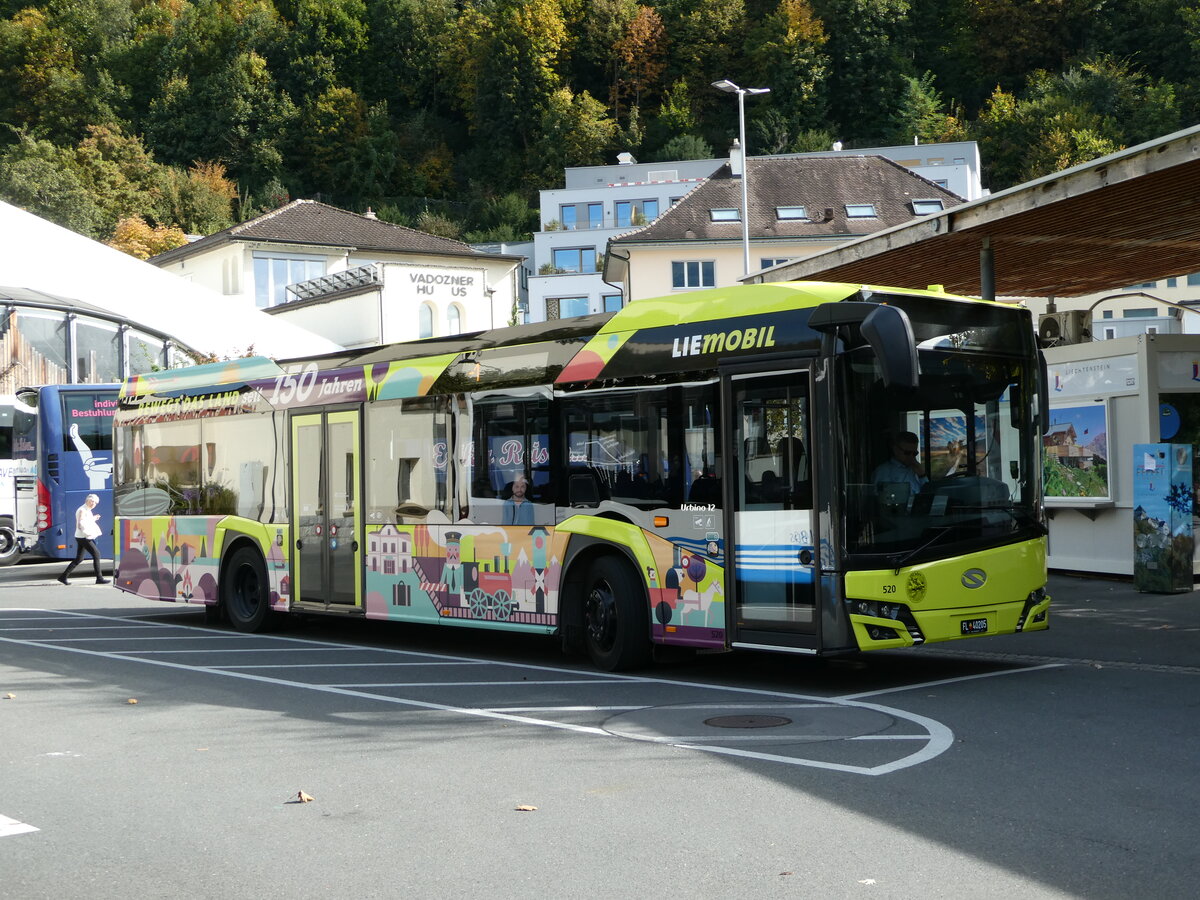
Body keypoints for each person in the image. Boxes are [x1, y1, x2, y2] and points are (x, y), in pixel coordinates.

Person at [58, 493, 109, 585]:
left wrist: (94, 518)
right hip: (84, 537)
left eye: (95, 502)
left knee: (79, 559)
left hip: (81, 536)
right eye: (92, 501)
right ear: (87, 501)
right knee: (96, 554)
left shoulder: (87, 509)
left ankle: (63, 577)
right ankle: (99, 578)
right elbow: (80, 523)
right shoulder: (82, 510)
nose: (93, 503)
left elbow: (86, 521)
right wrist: (87, 533)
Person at [872, 431, 927, 495]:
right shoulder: (883, 472)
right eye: (907, 453)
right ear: (895, 450)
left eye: (915, 453)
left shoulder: (915, 469)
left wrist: (922, 475)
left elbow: (928, 495)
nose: (911, 457)